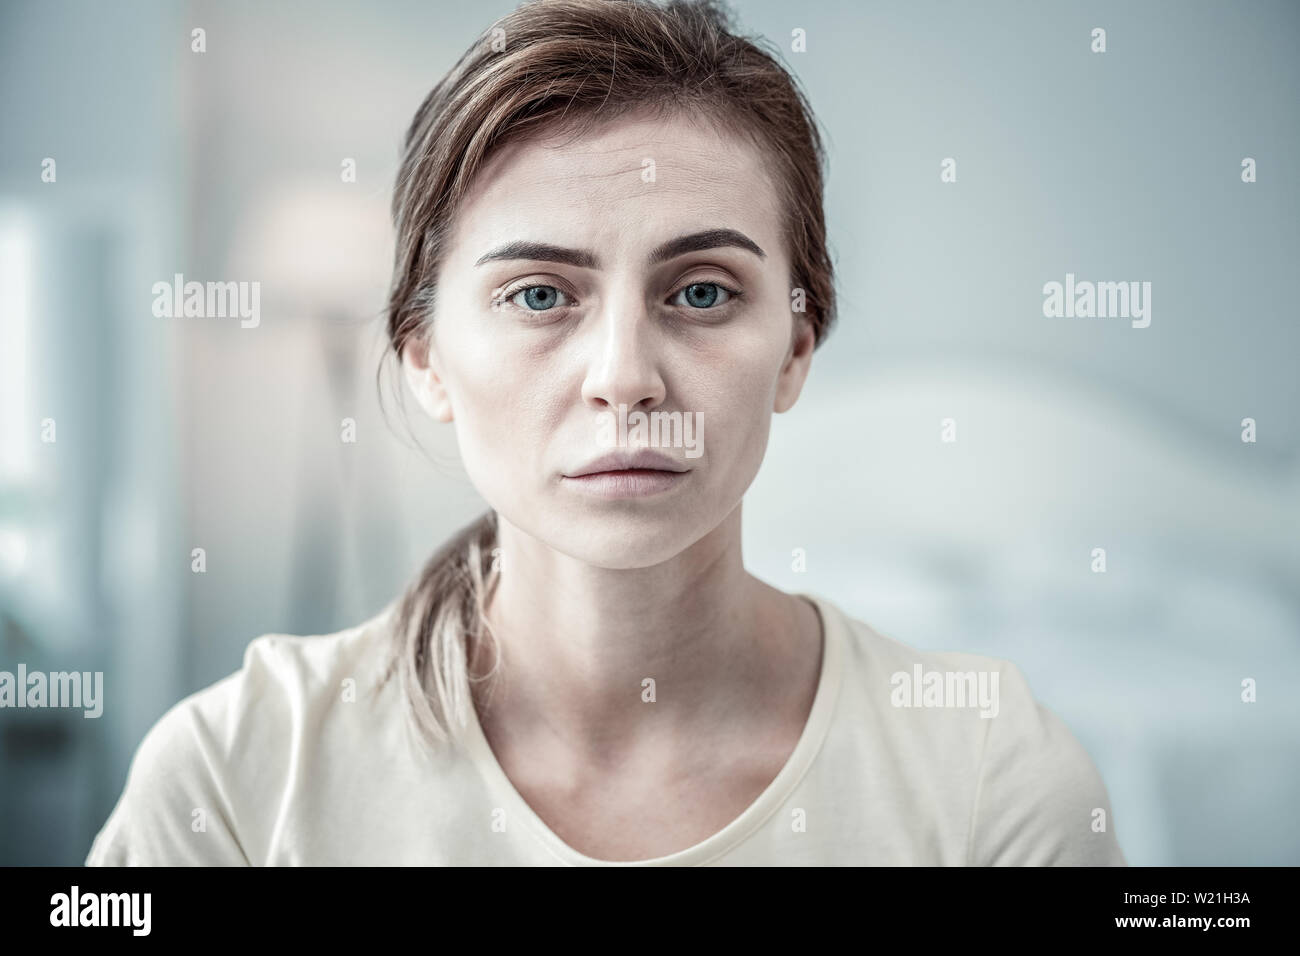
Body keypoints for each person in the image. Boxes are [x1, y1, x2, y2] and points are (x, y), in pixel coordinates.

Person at [86, 0, 1126, 866]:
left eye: (704, 290)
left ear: (796, 349)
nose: (624, 375)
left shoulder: (991, 774)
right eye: (540, 293)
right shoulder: (232, 776)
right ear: (424, 356)